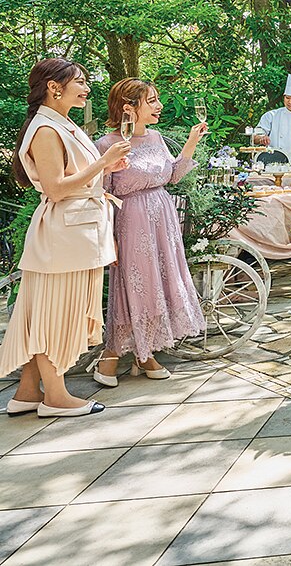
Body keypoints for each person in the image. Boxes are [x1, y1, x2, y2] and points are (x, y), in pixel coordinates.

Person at [1, 58, 130, 418]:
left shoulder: (61, 124)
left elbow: (75, 175)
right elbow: (56, 189)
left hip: (76, 232)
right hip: (63, 237)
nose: (87, 88)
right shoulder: (45, 129)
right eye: (80, 81)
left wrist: (105, 167)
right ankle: (56, 397)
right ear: (54, 87)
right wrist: (102, 163)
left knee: (44, 312)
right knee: (54, 315)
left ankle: (28, 392)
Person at [91, 80, 208, 386]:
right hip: (131, 222)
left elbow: (173, 176)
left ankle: (145, 354)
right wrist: (108, 238)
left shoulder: (156, 137)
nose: (159, 106)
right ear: (129, 107)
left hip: (163, 220)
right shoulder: (106, 144)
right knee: (136, 286)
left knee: (160, 284)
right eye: (152, 100)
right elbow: (100, 193)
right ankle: (111, 353)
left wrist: (192, 142)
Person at [253, 74, 291, 164]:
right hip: (274, 163)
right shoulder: (271, 115)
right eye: (287, 98)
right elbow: (254, 137)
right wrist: (261, 138)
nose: (290, 102)